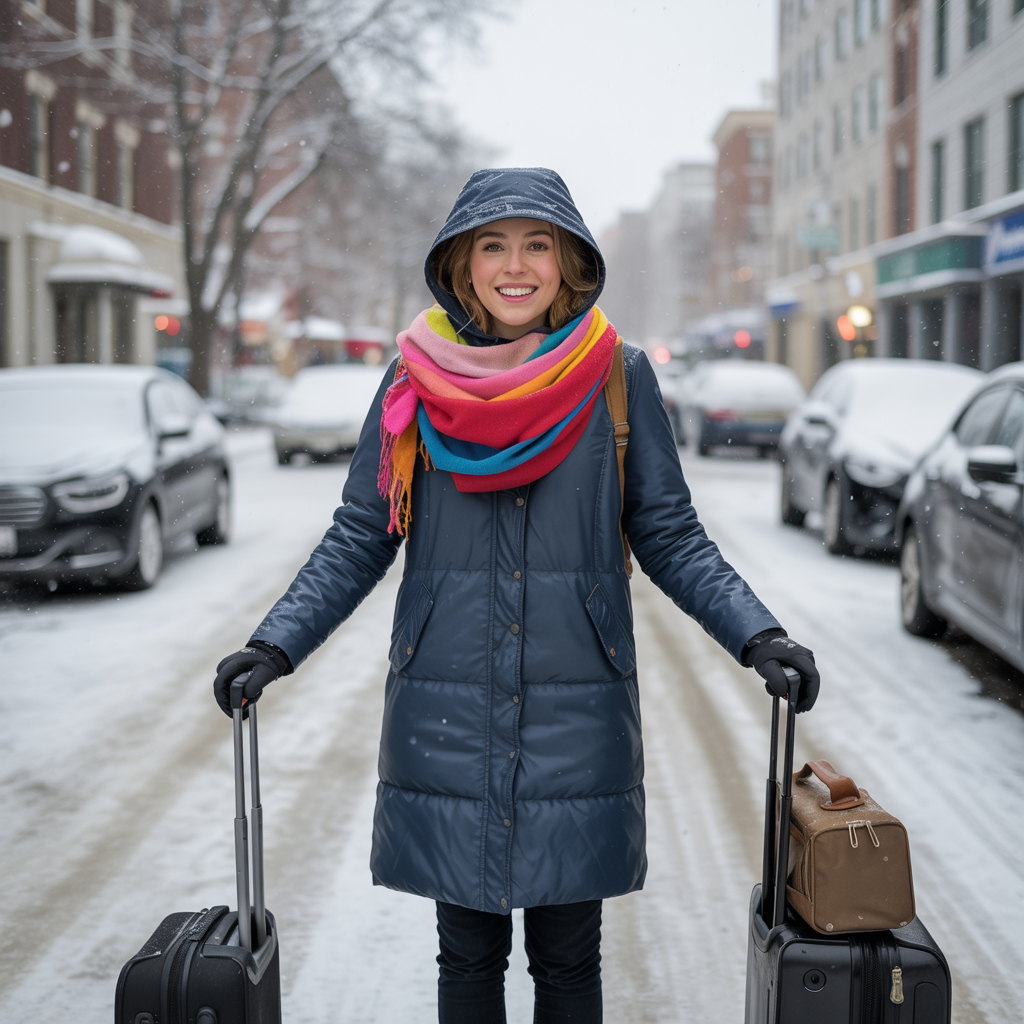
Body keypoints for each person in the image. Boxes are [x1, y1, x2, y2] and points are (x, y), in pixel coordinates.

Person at [213, 167, 820, 1024]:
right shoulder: (412, 384)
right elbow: (362, 532)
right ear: (462, 264)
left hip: (579, 705)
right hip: (446, 702)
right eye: (493, 245)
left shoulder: (618, 377)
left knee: (569, 958)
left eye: (538, 244)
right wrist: (274, 645)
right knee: (466, 954)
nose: (516, 265)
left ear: (568, 262)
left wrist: (760, 636)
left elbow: (673, 535)